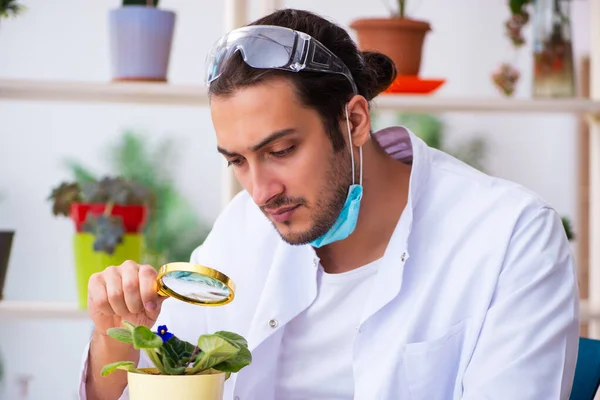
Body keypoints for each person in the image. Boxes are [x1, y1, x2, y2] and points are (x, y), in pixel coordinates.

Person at [79, 8, 580, 400]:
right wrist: (117, 341)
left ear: (355, 121)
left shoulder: (510, 236)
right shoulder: (243, 230)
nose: (260, 191)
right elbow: (160, 373)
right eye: (237, 160)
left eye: (281, 151)